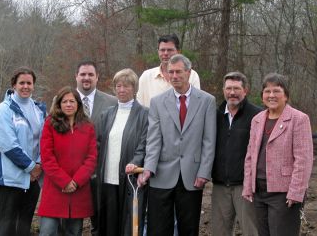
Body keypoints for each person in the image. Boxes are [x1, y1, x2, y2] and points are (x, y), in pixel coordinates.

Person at [138, 54, 216, 236]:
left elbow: (209, 140)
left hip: (192, 176)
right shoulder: (157, 102)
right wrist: (148, 168)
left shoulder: (207, 101)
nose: (174, 76)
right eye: (170, 72)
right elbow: (154, 139)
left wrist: (204, 172)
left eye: (178, 72)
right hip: (161, 173)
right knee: (158, 228)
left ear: (188, 72)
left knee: (188, 228)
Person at [242, 73, 314, 236]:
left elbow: (304, 159)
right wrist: (248, 185)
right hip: (259, 191)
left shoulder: (299, 119)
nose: (271, 95)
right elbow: (250, 156)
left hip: (283, 194)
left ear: (286, 95)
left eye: (276, 91)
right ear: (262, 96)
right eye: (267, 91)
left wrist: (296, 192)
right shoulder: (257, 119)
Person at [0, 67, 46, 236]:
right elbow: (8, 145)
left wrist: (39, 164)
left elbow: (45, 141)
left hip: (33, 179)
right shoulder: (4, 110)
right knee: (7, 226)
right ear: (14, 85)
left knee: (24, 225)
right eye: (21, 83)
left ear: (33, 86)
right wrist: (31, 167)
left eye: (29, 83)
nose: (25, 86)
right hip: (10, 178)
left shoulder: (39, 110)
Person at [38, 86, 97, 236]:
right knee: (48, 231)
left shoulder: (88, 126)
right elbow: (47, 157)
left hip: (78, 190)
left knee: (74, 232)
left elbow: (91, 158)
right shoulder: (50, 124)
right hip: (55, 188)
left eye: (72, 101)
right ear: (59, 104)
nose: (69, 104)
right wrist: (64, 181)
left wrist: (76, 181)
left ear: (78, 104)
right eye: (65, 101)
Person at [96, 68, 149, 236]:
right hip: (108, 177)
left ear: (134, 89)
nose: (122, 90)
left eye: (126, 86)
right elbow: (99, 143)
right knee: (109, 222)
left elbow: (144, 144)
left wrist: (136, 161)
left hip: (130, 177)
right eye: (118, 86)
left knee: (128, 224)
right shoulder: (107, 114)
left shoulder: (144, 114)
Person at [211, 72, 261, 236]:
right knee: (220, 231)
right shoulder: (214, 115)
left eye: (237, 88)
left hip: (245, 186)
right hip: (219, 185)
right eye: (229, 88)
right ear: (223, 90)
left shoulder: (257, 115)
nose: (232, 93)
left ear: (245, 91)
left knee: (251, 230)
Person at [75, 60, 117, 235]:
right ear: (76, 76)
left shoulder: (112, 102)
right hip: (72, 171)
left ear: (97, 77)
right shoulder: (64, 99)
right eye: (83, 74)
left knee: (100, 219)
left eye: (90, 74)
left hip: (101, 171)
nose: (86, 78)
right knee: (70, 220)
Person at [137, 33, 201, 107]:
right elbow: (140, 107)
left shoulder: (191, 75)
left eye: (170, 50)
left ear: (178, 51)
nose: (166, 53)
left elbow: (196, 105)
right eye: (162, 50)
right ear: (158, 51)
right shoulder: (146, 77)